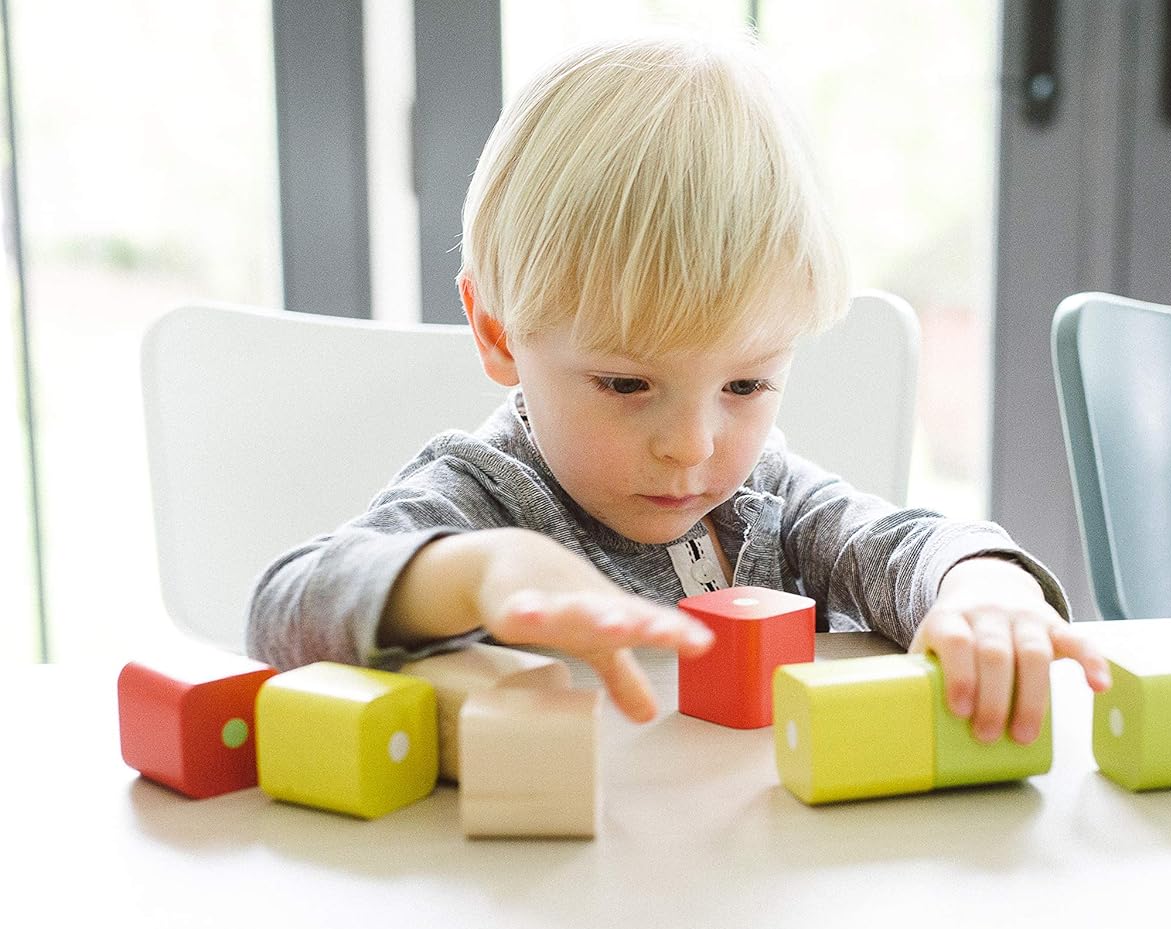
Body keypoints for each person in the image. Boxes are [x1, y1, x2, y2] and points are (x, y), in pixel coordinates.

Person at [247, 30, 1109, 746]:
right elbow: (286, 607)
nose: (693, 445)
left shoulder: (767, 501)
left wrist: (985, 591)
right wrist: (476, 575)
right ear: (499, 331)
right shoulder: (485, 498)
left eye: (746, 382)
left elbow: (902, 546)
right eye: (626, 382)